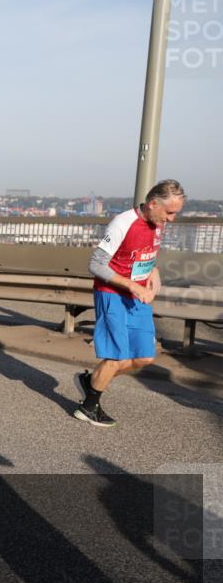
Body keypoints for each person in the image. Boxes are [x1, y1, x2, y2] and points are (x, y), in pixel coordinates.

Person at [74, 179, 186, 427]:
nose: (172, 219)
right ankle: (89, 407)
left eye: (176, 213)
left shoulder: (158, 223)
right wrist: (133, 285)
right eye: (170, 212)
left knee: (144, 357)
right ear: (153, 203)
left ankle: (91, 381)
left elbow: (145, 253)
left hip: (137, 296)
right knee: (115, 356)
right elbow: (96, 264)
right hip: (112, 293)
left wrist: (154, 271)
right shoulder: (123, 223)